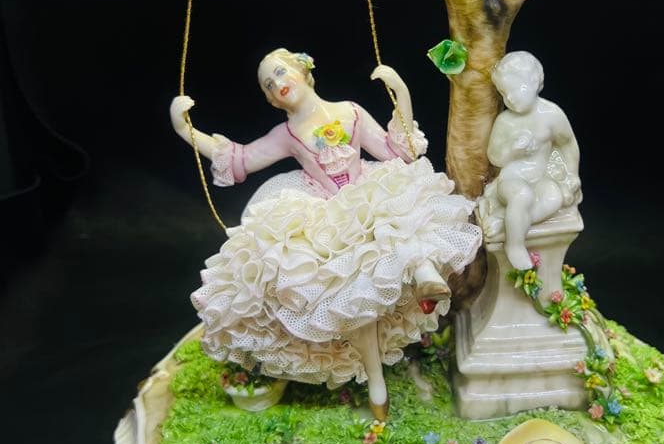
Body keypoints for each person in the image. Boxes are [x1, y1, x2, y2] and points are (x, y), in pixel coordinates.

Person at [170, 48, 481, 418]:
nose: (277, 84)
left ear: (303, 70)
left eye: (281, 72)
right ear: (271, 100)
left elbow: (396, 151)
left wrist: (401, 92)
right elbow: (241, 158)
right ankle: (375, 379)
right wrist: (185, 130)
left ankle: (426, 275)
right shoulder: (286, 134)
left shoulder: (350, 111)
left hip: (367, 194)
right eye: (268, 84)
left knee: (398, 207)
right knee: (354, 298)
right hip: (330, 216)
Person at [480, 51, 581, 271]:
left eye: (515, 90)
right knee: (522, 195)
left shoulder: (552, 115)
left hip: (540, 178)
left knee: (553, 197)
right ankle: (514, 245)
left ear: (534, 82)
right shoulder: (505, 121)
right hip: (512, 179)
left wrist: (571, 175)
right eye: (503, 93)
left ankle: (507, 223)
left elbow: (567, 145)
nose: (509, 98)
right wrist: (513, 151)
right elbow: (494, 156)